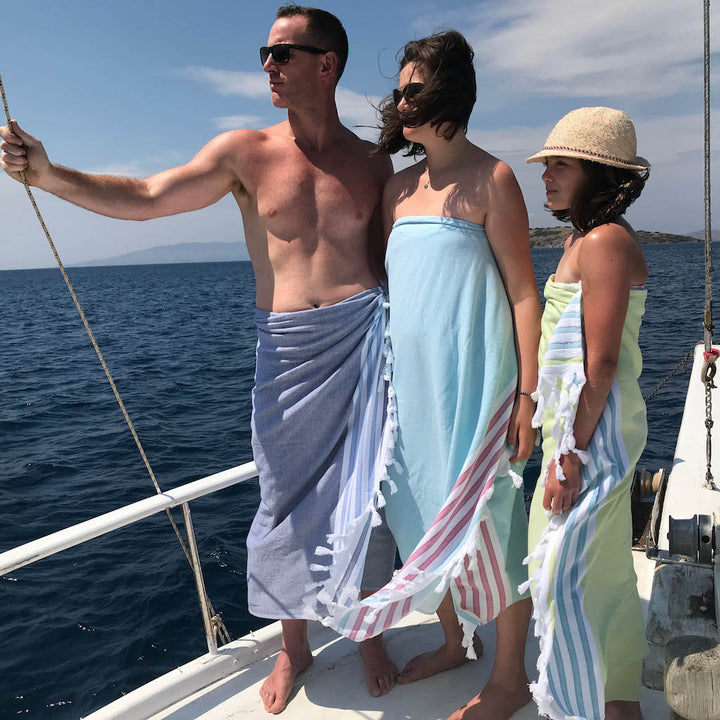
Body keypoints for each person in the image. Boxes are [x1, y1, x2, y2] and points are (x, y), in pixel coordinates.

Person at [0, 5, 399, 713]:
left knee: (369, 498)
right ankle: (295, 647)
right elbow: (149, 198)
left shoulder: (374, 162)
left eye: (283, 54)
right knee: (282, 503)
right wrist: (49, 174)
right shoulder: (243, 152)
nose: (268, 66)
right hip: (289, 354)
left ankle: (368, 631)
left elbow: (404, 261)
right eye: (264, 55)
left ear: (327, 62)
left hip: (365, 348)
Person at [309, 30, 541, 720]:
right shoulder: (398, 188)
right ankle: (452, 642)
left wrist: (526, 398)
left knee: (493, 524)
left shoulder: (493, 178)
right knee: (418, 513)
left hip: (477, 386)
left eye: (414, 89)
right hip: (409, 389)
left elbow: (524, 292)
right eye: (400, 89)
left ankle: (508, 679)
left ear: (447, 95)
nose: (400, 100)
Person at [523, 106, 650, 720]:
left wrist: (568, 457)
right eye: (546, 163)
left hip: (590, 437)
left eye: (560, 164)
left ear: (597, 173)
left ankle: (588, 704)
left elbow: (597, 366)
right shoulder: (587, 237)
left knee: (565, 572)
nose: (545, 173)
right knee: (602, 576)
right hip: (586, 429)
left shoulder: (602, 242)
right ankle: (617, 702)